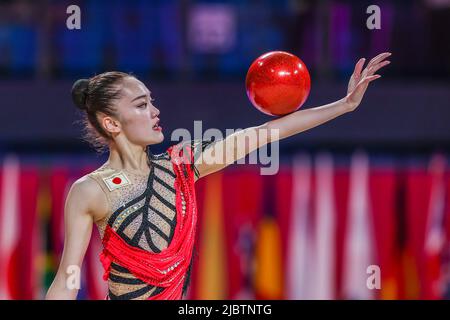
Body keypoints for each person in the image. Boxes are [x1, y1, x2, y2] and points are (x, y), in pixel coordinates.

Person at [45, 52, 391, 300]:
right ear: (111, 123)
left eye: (152, 101)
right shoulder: (90, 190)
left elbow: (267, 132)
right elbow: (67, 279)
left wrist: (343, 105)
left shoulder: (183, 164)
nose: (155, 111)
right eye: (140, 105)